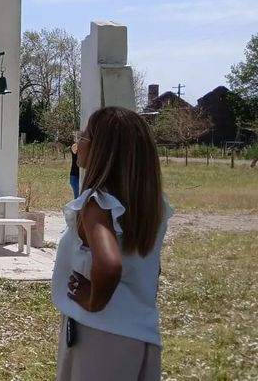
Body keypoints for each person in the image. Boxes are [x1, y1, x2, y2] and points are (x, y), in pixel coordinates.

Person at [52, 106, 171, 380]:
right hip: (141, 332)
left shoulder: (97, 204)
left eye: (83, 136)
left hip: (98, 335)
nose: (77, 142)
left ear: (100, 149)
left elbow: (109, 264)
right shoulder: (152, 205)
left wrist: (93, 300)